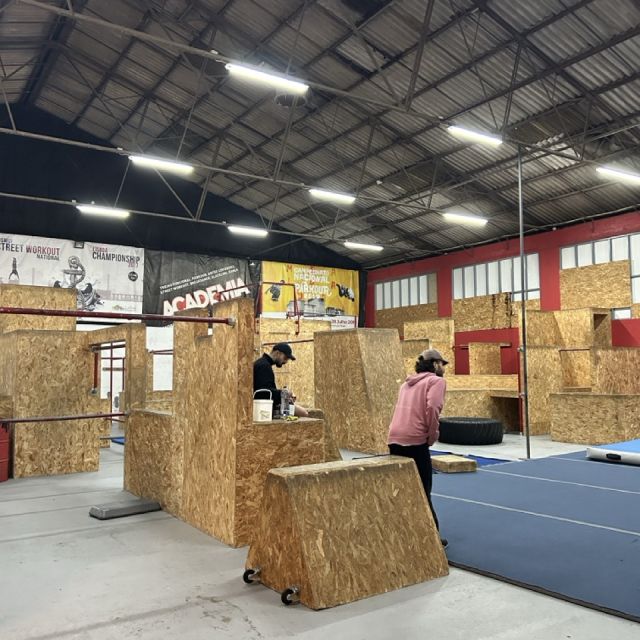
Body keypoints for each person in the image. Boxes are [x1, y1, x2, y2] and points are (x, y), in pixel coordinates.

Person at [388, 348, 448, 547]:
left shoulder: (406, 384)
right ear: (434, 364)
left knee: (403, 490)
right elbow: (432, 408)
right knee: (423, 491)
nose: (444, 368)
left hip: (395, 438)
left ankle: (401, 535)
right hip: (415, 440)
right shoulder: (436, 381)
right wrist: (432, 436)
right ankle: (432, 540)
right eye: (442, 364)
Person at [253, 342, 309, 418]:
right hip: (263, 409)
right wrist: (283, 394)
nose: (285, 362)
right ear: (277, 353)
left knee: (303, 412)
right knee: (304, 413)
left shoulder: (263, 364)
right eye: (285, 358)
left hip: (265, 407)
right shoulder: (264, 366)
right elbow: (263, 392)